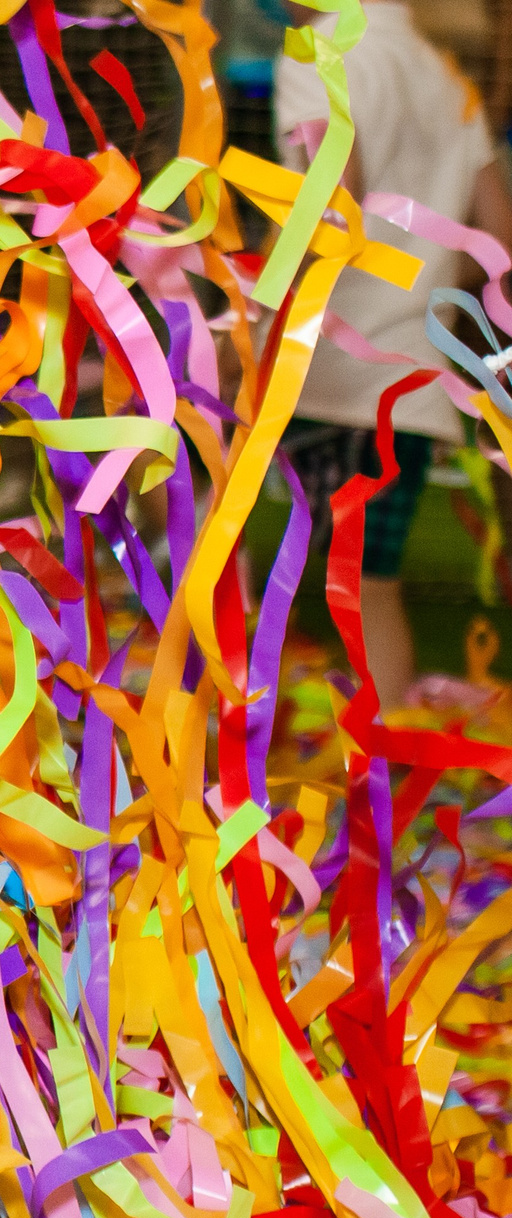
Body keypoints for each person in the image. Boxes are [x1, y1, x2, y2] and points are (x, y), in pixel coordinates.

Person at [277, 0, 512, 707]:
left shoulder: (321, 53)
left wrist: (258, 311)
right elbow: (498, 238)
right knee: (369, 589)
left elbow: (331, 205)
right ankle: (378, 780)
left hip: (331, 372)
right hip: (413, 375)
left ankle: (330, 779)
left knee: (274, 578)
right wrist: (425, 284)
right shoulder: (444, 74)